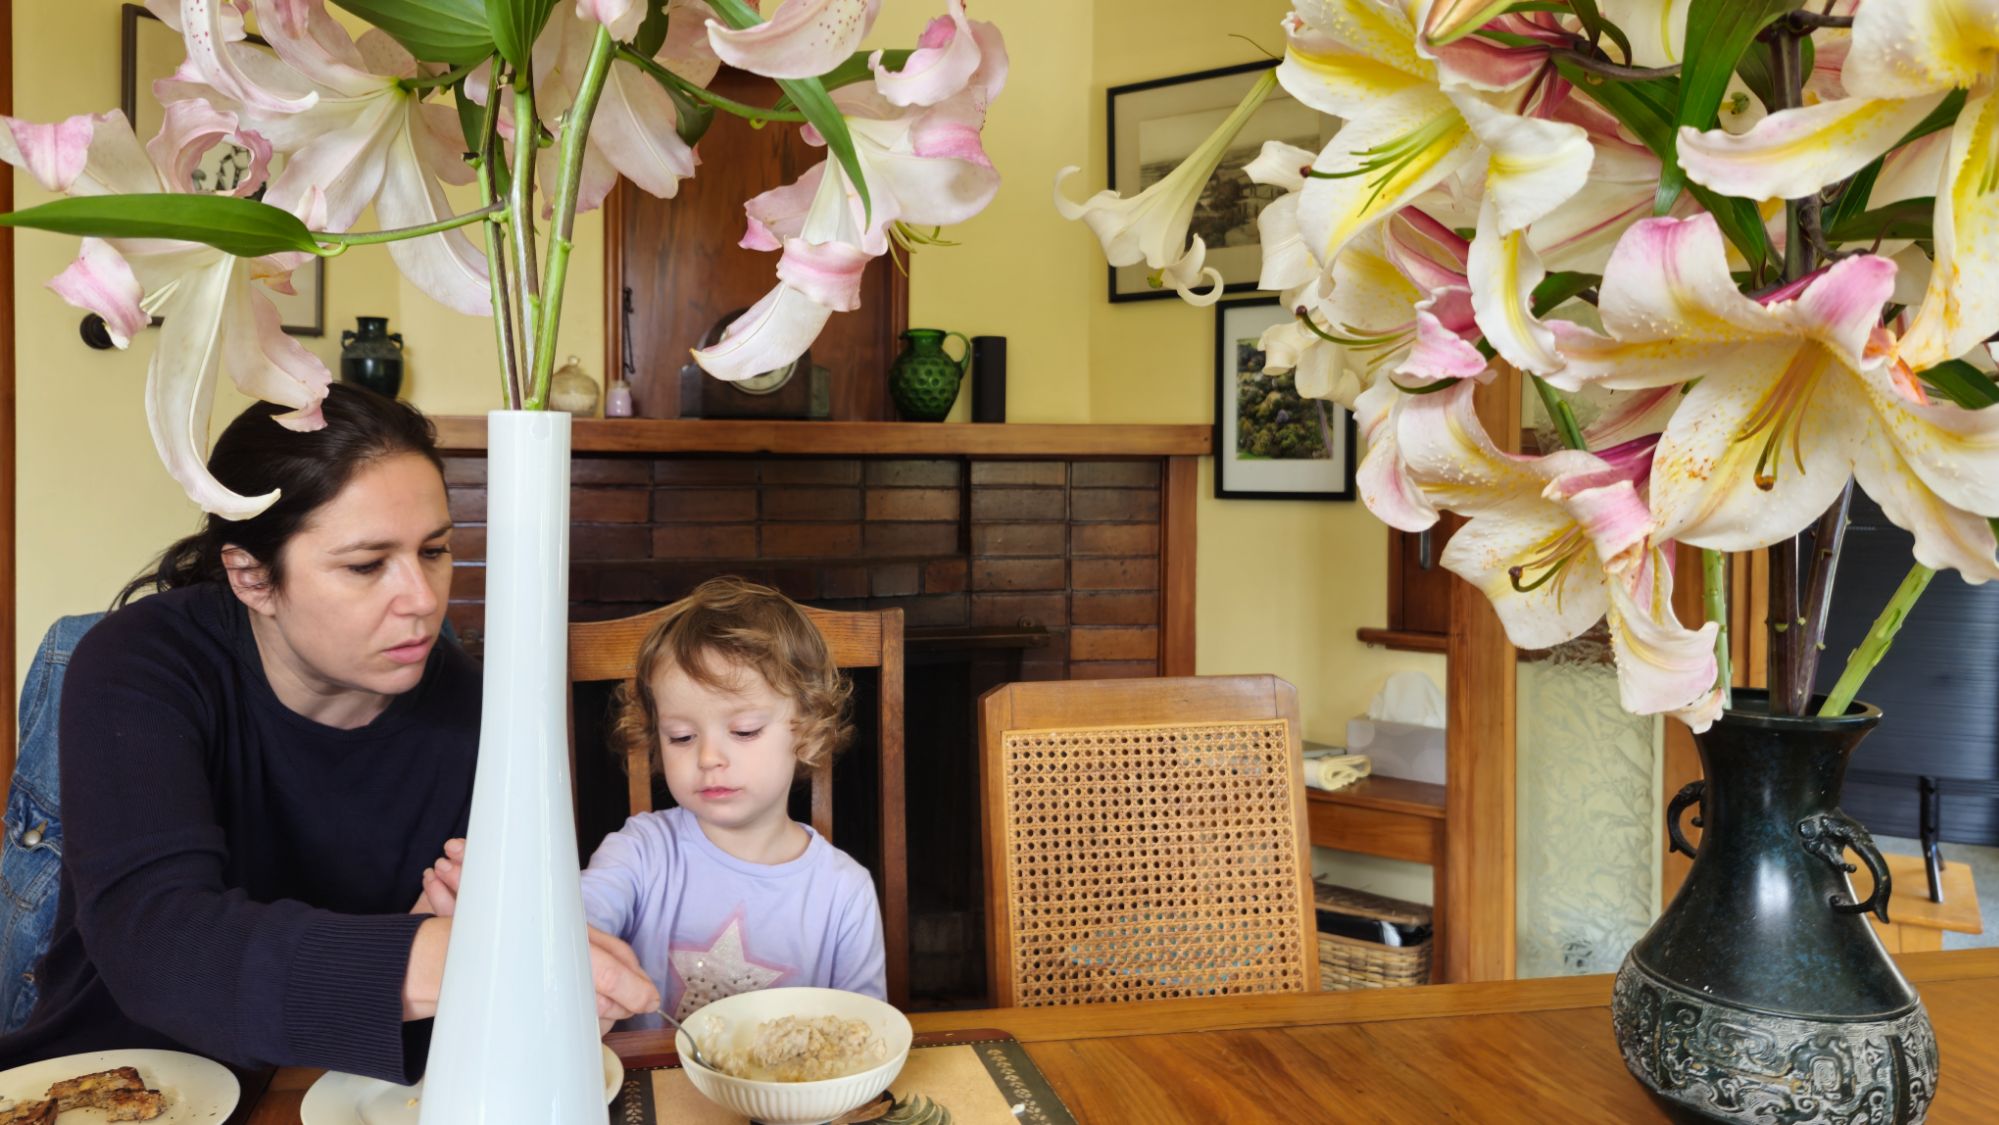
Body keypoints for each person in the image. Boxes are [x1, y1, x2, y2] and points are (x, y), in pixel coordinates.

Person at [0, 385, 656, 1082]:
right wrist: (457, 955)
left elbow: (427, 1026)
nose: (423, 600)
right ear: (251, 577)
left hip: (331, 1085)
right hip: (114, 1079)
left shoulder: (469, 708)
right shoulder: (139, 663)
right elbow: (159, 944)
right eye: (366, 565)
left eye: (434, 550)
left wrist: (466, 958)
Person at [420, 577, 885, 1027]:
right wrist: (511, 914)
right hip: (647, 1076)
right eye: (681, 736)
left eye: (744, 731)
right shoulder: (639, 850)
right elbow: (569, 929)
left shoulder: (844, 892)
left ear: (809, 730)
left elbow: (867, 1034)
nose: (708, 757)